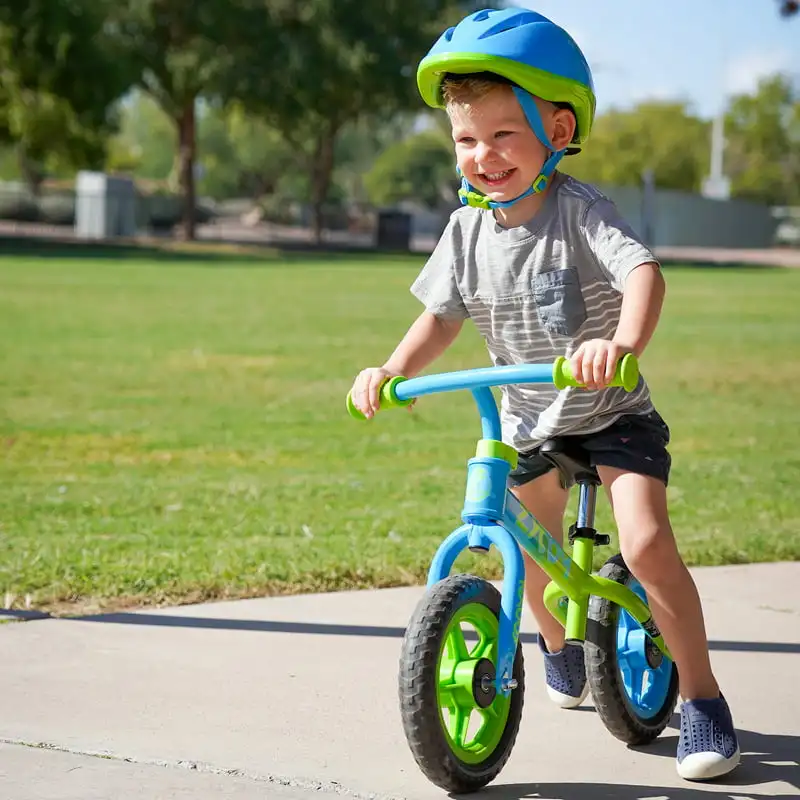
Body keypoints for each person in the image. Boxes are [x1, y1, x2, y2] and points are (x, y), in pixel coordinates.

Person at [347, 6, 739, 781]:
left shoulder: (580, 212)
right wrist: (391, 369)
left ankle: (701, 697)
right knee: (521, 536)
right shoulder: (465, 231)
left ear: (557, 131)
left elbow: (642, 273)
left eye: (503, 134)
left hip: (611, 413)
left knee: (644, 545)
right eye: (466, 140)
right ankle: (556, 648)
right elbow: (440, 317)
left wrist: (620, 346)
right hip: (527, 415)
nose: (483, 156)